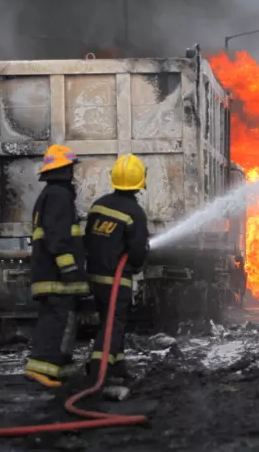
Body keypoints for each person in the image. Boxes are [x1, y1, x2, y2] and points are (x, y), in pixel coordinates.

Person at [25, 144, 90, 388]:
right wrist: (69, 268)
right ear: (64, 169)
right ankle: (41, 367)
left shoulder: (51, 195)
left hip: (49, 273)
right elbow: (57, 236)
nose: (73, 172)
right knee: (56, 321)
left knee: (58, 319)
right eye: (71, 167)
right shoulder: (59, 196)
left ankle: (56, 366)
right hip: (55, 276)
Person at [84, 153, 150, 384]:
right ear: (140, 181)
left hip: (94, 276)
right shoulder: (135, 213)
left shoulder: (98, 206)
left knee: (107, 320)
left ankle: (118, 366)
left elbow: (88, 239)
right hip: (117, 279)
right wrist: (140, 261)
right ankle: (97, 368)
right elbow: (137, 252)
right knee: (115, 323)